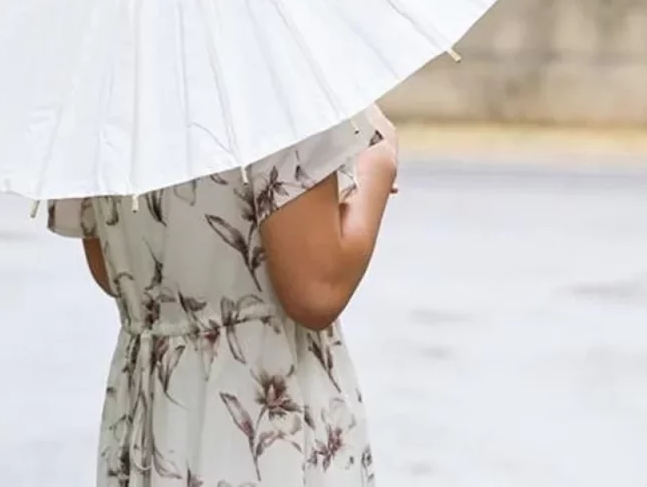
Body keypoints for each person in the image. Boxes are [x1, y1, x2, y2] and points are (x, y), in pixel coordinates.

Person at [48, 104, 399, 486]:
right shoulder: (266, 80)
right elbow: (315, 290)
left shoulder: (106, 91)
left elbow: (110, 270)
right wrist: (377, 161)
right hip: (258, 406)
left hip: (152, 406)